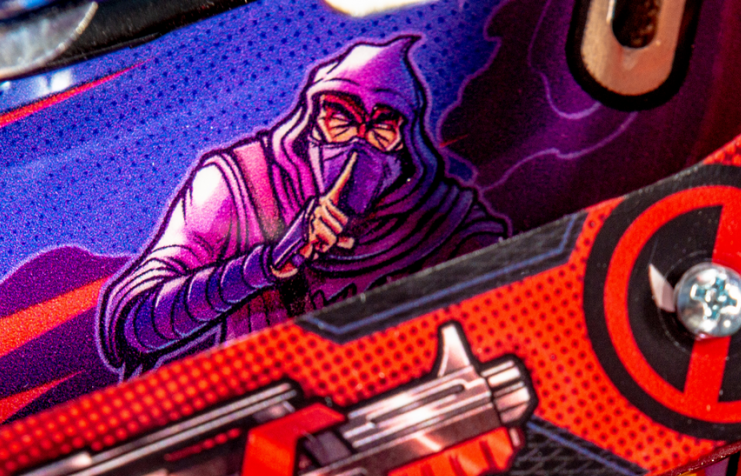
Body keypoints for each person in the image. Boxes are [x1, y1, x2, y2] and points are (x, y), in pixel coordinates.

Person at [97, 37, 507, 374]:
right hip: (266, 408)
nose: (359, 143)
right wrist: (263, 265)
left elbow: (509, 280)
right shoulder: (239, 184)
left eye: (382, 125)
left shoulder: (439, 208)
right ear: (314, 118)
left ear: (404, 138)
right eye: (341, 118)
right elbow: (132, 327)